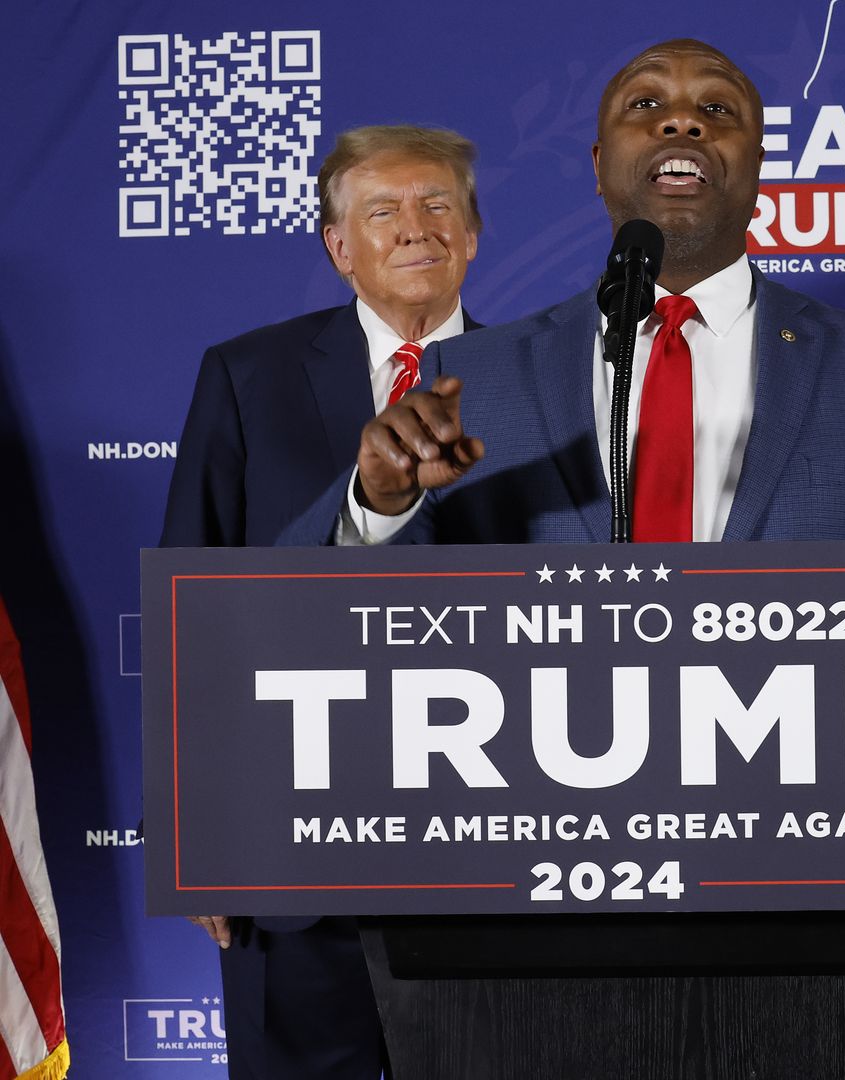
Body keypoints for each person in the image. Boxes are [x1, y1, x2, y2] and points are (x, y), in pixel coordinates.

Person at [282, 38, 845, 547]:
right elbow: (329, 621)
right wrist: (377, 506)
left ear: (761, 165)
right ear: (600, 166)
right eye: (645, 102)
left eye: (717, 111)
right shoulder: (471, 377)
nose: (681, 120)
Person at [160, 123, 484, 1079]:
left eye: (438, 206)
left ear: (472, 233)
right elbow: (193, 595)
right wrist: (197, 831)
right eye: (383, 212)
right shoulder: (247, 375)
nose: (416, 229)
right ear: (339, 248)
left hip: (496, 851)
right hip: (288, 850)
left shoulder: (561, 380)